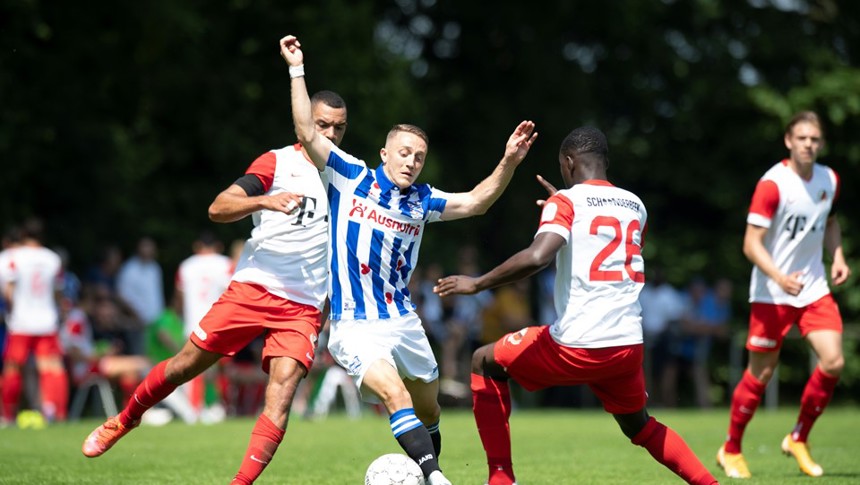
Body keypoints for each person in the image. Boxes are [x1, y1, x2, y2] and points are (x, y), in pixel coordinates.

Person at [282, 33, 537, 485]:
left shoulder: (423, 200)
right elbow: (306, 131)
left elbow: (477, 202)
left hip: (403, 320)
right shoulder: (349, 175)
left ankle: (423, 469)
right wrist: (297, 68)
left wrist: (509, 162)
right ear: (384, 153)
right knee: (394, 393)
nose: (411, 162)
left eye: (419, 157)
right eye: (403, 153)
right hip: (354, 323)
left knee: (429, 409)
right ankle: (436, 477)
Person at [81, 88, 349, 485]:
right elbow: (218, 207)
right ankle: (125, 420)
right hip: (255, 286)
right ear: (305, 121)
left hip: (303, 306)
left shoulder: (351, 173)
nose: (329, 134)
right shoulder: (277, 162)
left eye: (338, 128)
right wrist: (263, 203)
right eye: (321, 124)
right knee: (185, 365)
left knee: (283, 392)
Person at [434, 127, 718, 485]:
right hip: (627, 343)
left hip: (578, 343)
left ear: (568, 163)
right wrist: (564, 208)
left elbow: (539, 256)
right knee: (640, 426)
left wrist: (477, 283)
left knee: (483, 362)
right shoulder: (635, 205)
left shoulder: (566, 203)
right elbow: (606, 241)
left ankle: (501, 478)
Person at [716, 111, 850, 479]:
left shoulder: (829, 179)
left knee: (834, 361)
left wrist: (837, 255)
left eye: (815, 139)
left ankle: (798, 437)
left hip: (814, 288)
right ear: (788, 141)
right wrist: (779, 276)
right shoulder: (773, 185)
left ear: (820, 143)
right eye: (802, 138)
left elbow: (831, 221)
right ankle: (730, 449)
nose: (809, 144)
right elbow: (750, 244)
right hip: (771, 293)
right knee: (761, 375)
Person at [0, 218, 69, 424]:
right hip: (46, 321)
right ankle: (57, 413)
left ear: (23, 235)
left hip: (21, 322)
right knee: (52, 368)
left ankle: (7, 415)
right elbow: (58, 292)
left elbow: (9, 291)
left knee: (13, 368)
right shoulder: (52, 258)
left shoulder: (12, 256)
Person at [175, 231, 233, 420]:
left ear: (197, 246)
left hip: (193, 323)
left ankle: (194, 410)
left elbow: (180, 297)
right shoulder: (225, 263)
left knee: (192, 367)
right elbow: (231, 292)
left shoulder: (186, 266)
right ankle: (222, 406)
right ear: (217, 246)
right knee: (221, 368)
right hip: (219, 323)